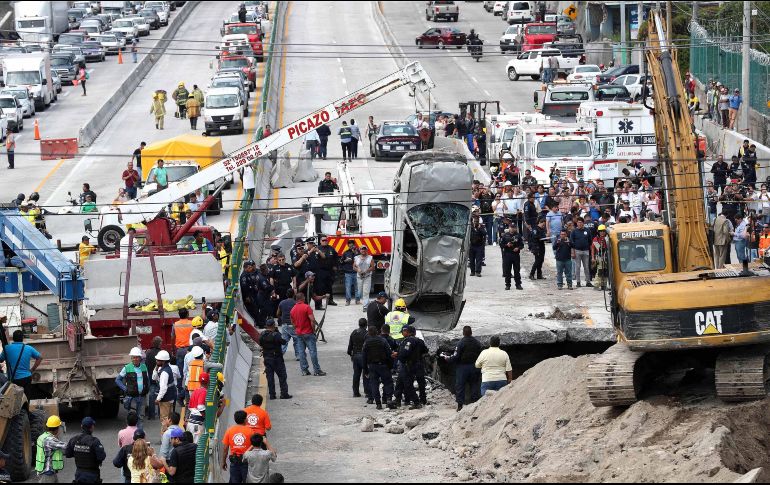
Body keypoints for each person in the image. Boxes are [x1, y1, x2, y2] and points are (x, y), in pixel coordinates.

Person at [442, 326, 482, 411]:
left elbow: (456, 356)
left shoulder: (461, 343)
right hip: (474, 366)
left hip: (463, 367)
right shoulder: (477, 342)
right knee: (474, 384)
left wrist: (448, 358)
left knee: (460, 386)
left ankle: (460, 406)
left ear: (463, 333)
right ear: (471, 332)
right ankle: (475, 403)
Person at [290, 293, 326, 376]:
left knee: (301, 352)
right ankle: (317, 370)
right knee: (313, 352)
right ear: (303, 298)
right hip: (308, 333)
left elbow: (293, 323)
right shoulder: (307, 307)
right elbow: (312, 320)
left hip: (299, 334)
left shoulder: (293, 309)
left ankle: (304, 370)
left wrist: (297, 329)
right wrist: (313, 331)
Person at [0, 330, 42, 398]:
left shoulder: (6, 348)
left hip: (13, 379)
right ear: (22, 338)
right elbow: (40, 357)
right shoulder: (29, 348)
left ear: (13, 338)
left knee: (14, 400)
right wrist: (32, 369)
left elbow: (1, 359)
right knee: (26, 398)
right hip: (26, 378)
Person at [361, 325, 394, 409]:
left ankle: (378, 404)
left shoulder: (366, 343)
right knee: (387, 382)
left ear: (369, 333)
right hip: (383, 365)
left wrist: (365, 370)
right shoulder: (383, 341)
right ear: (377, 331)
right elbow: (389, 353)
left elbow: (364, 358)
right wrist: (390, 366)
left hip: (372, 366)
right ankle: (389, 399)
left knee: (374, 384)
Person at [65, 417, 106, 483]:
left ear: (81, 426)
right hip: (92, 474)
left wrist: (78, 452)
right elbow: (101, 456)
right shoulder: (94, 441)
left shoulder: (74, 439)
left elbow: (67, 454)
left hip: (79, 474)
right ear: (92, 427)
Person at [259, 319, 292, 399]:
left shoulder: (262, 334)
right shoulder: (276, 335)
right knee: (282, 376)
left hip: (267, 358)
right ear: (274, 325)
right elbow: (284, 342)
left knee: (270, 377)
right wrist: (278, 332)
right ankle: (284, 393)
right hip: (277, 359)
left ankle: (272, 395)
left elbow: (260, 343)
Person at [397, 326, 428, 409]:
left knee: (408, 383)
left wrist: (399, 356)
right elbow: (426, 351)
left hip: (410, 365)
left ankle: (414, 401)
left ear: (408, 332)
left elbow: (404, 353)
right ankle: (423, 399)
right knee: (421, 383)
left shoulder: (408, 341)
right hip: (419, 364)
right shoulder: (420, 341)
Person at [115, 347, 149, 426]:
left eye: (137, 357)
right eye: (133, 357)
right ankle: (131, 436)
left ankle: (139, 436)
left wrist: (147, 389)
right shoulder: (127, 368)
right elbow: (117, 380)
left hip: (142, 397)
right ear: (131, 358)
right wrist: (125, 389)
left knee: (140, 417)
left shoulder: (144, 367)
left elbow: (147, 380)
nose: (135, 359)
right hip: (132, 397)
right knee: (132, 418)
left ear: (140, 358)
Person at [222, 410, 253, 483]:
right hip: (246, 461)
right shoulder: (250, 431)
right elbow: (254, 446)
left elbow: (225, 449)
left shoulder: (229, 431)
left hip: (234, 461)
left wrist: (223, 461)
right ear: (245, 419)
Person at [35, 415, 67, 483]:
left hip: (44, 471)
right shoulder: (50, 440)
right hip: (47, 473)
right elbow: (66, 446)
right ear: (57, 429)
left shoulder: (42, 436)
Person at [152, 350, 177, 432]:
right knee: (169, 420)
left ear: (163, 361)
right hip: (170, 397)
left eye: (158, 360)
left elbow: (163, 388)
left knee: (165, 420)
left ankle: (165, 438)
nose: (156, 361)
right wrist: (155, 369)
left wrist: (158, 399)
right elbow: (154, 378)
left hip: (165, 400)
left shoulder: (164, 372)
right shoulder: (165, 369)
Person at [347, 318, 370, 399]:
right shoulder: (367, 334)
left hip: (355, 355)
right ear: (366, 325)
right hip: (363, 356)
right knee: (366, 374)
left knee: (356, 374)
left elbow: (350, 346)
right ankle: (367, 392)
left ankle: (355, 392)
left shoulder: (354, 332)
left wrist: (351, 354)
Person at [499, 222, 524, 290]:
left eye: (513, 227)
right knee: (507, 271)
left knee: (517, 270)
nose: (512, 229)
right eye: (511, 227)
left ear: (515, 228)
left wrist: (518, 248)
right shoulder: (505, 235)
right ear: (509, 228)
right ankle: (507, 285)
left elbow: (522, 245)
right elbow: (501, 245)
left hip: (515, 255)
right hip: (507, 254)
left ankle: (518, 284)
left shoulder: (518, 235)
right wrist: (506, 245)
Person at [570, 218, 593, 288]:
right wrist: (573, 253)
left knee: (586, 267)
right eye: (578, 222)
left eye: (581, 222)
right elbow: (571, 243)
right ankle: (578, 282)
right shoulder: (574, 231)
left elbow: (590, 241)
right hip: (577, 251)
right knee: (577, 267)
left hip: (586, 251)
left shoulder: (587, 230)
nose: (579, 224)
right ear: (576, 223)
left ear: (583, 223)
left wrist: (590, 251)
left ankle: (588, 282)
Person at [276, 288, 299, 356]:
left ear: (286, 294)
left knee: (284, 342)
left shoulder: (282, 302)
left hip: (285, 325)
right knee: (297, 341)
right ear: (294, 295)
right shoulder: (296, 303)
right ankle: (298, 355)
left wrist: (281, 318)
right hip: (294, 325)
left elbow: (277, 314)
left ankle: (280, 355)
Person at [353, 245, 374, 310]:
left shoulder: (370, 258)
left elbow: (372, 267)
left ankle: (365, 306)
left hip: (367, 277)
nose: (363, 250)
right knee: (360, 292)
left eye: (364, 249)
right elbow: (354, 267)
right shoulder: (356, 258)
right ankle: (366, 301)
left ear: (366, 250)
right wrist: (358, 270)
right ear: (360, 250)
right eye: (362, 249)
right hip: (359, 277)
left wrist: (366, 271)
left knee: (366, 291)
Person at [340, 241, 359, 306]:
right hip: (348, 272)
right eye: (350, 246)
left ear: (354, 245)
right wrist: (345, 260)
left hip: (357, 272)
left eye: (352, 246)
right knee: (348, 287)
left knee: (357, 287)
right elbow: (341, 261)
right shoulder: (345, 253)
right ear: (348, 246)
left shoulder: (358, 252)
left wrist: (355, 253)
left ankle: (357, 300)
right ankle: (348, 301)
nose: (351, 247)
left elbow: (361, 260)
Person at [591, 225, 610, 290]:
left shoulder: (608, 238)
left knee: (605, 271)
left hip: (606, 257)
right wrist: (593, 258)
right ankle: (596, 285)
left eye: (603, 231)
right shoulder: (596, 239)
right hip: (599, 257)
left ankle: (603, 285)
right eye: (601, 231)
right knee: (600, 271)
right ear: (598, 232)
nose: (602, 232)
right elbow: (594, 249)